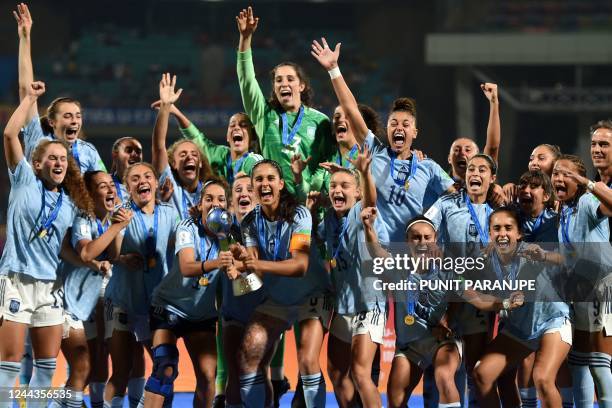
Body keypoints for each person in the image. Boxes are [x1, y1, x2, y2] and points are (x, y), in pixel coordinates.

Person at [310, 37, 455, 243]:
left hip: (409, 253)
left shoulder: (428, 166)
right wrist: (334, 69)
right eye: (394, 123)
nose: (399, 128)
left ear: (415, 133)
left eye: (406, 125)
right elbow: (351, 109)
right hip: (374, 250)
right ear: (387, 129)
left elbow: (456, 196)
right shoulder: (374, 151)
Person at [0, 81, 90, 405]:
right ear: (37, 163)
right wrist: (29, 99)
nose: (58, 162)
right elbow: (11, 135)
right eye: (51, 158)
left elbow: (62, 248)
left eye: (63, 159)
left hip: (50, 288)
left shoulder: (68, 204)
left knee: (46, 367)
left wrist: (88, 260)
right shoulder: (23, 179)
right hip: (16, 282)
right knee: (9, 366)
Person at [237, 160, 329, 408]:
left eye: (270, 179)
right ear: (252, 186)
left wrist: (254, 266)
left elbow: (300, 266)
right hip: (278, 297)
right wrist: (237, 275)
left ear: (280, 184)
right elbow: (255, 277)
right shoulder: (248, 223)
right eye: (259, 180)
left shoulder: (299, 214)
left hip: (313, 293)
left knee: (307, 360)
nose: (264, 184)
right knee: (249, 353)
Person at [142, 180, 233, 407]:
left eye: (221, 199)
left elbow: (241, 280)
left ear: (227, 206)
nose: (215, 203)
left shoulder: (231, 237)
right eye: (208, 199)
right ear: (200, 204)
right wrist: (218, 262)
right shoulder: (187, 226)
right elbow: (186, 267)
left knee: (208, 376)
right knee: (165, 367)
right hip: (169, 308)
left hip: (201, 315)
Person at [473, 207, 572, 408]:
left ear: (518, 233)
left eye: (508, 228)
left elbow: (565, 259)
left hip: (552, 321)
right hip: (519, 329)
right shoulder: (483, 261)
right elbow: (470, 292)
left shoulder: (530, 251)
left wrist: (545, 256)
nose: (502, 233)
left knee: (543, 379)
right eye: (497, 228)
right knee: (481, 374)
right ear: (489, 232)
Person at [103, 162, 179, 408]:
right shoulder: (121, 212)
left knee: (165, 368)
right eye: (134, 178)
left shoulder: (169, 213)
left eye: (147, 176)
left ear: (156, 183)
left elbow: (182, 249)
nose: (141, 181)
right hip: (123, 302)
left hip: (155, 305)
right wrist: (119, 245)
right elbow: (113, 253)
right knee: (122, 369)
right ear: (127, 187)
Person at [236, 7, 334, 196]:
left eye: (290, 79)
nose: (283, 84)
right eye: (278, 80)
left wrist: (308, 189)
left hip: (306, 205)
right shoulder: (264, 115)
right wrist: (245, 38)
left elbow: (326, 164)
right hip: (271, 202)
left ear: (301, 86)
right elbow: (247, 80)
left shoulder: (320, 121)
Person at [315, 146, 381, 407]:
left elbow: (371, 201)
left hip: (369, 304)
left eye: (344, 185)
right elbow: (315, 237)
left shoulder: (358, 213)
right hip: (342, 308)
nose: (337, 190)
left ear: (357, 192)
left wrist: (364, 172)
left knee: (361, 374)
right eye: (333, 185)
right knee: (336, 372)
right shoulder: (329, 218)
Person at [14, 3, 106, 174]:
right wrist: (25, 38)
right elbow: (25, 89)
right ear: (52, 122)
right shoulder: (39, 141)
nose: (75, 121)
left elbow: (104, 186)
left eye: (78, 116)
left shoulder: (89, 152)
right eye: (68, 116)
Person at [551, 155, 612, 407]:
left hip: (601, 288)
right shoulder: (564, 209)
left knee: (598, 362)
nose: (559, 178)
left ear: (579, 180)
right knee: (578, 360)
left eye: (567, 175)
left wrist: (587, 183)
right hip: (578, 291)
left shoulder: (587, 200)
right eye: (556, 173)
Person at [152, 73, 217, 219]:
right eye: (182, 155)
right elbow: (159, 147)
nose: (189, 156)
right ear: (173, 164)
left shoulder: (211, 194)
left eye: (194, 154)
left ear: (200, 163)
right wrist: (165, 106)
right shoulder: (169, 186)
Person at [152, 101, 263, 184]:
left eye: (243, 125)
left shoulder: (253, 161)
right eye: (232, 125)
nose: (236, 128)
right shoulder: (219, 154)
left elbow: (262, 177)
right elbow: (196, 138)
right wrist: (175, 112)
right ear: (227, 137)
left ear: (252, 136)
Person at [447, 83, 501, 188]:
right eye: (457, 150)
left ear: (477, 157)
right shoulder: (438, 183)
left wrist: (494, 103)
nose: (462, 153)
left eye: (468, 150)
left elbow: (493, 147)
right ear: (449, 158)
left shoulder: (485, 183)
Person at [110, 137, 144, 201]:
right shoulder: (105, 185)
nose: (134, 155)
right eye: (129, 150)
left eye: (138, 151)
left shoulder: (149, 184)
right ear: (115, 155)